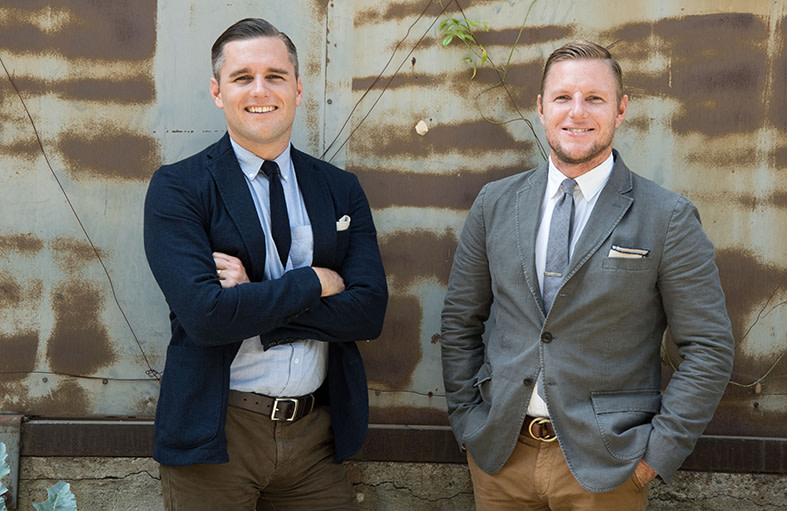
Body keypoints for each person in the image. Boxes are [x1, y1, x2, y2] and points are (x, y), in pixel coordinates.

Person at [440, 40, 734, 510]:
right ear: (541, 108)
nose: (577, 111)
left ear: (620, 110)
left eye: (594, 98)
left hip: (609, 468)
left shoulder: (668, 217)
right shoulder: (495, 203)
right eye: (563, 97)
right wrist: (467, 422)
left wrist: (655, 456)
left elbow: (709, 347)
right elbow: (460, 320)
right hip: (500, 459)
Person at [143, 18, 388, 510]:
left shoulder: (340, 188)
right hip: (217, 433)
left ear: (297, 89)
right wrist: (313, 281)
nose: (260, 90)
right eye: (242, 77)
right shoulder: (179, 188)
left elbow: (368, 313)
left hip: (315, 438)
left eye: (275, 76)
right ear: (218, 92)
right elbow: (206, 317)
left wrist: (253, 292)